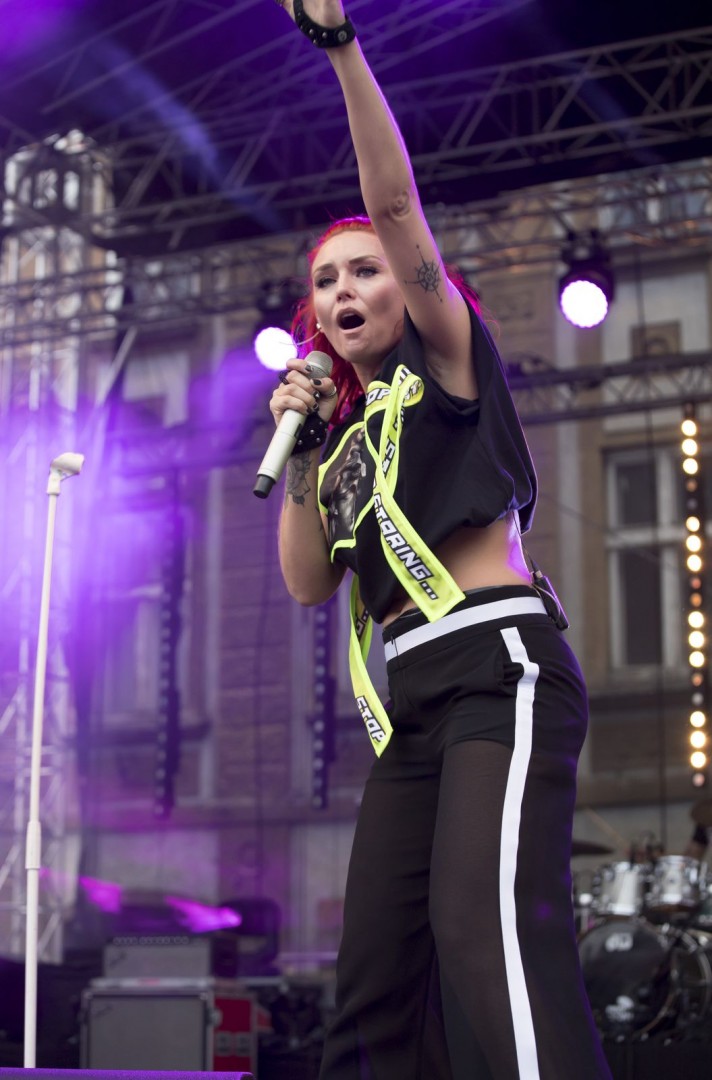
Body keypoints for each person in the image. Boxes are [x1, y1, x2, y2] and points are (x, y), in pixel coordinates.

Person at [268, 2, 612, 1077]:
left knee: (482, 931)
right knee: (373, 977)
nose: (344, 289)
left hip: (496, 665)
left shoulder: (447, 359)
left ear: (408, 287)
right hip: (410, 704)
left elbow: (393, 204)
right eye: (326, 281)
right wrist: (303, 446)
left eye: (364, 271)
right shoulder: (339, 440)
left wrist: (339, 46)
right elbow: (307, 584)